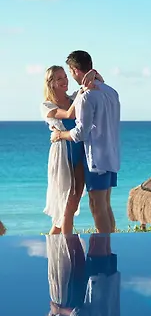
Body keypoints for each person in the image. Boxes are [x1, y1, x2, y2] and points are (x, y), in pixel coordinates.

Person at [51, 51, 121, 234]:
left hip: (96, 158)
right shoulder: (111, 92)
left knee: (97, 206)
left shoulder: (87, 96)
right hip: (112, 154)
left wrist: (60, 135)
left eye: (69, 72)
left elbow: (81, 133)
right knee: (105, 204)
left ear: (75, 70)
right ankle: (110, 245)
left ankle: (103, 248)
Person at [41, 66, 101, 235]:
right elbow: (69, 115)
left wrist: (93, 73)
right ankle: (66, 246)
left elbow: (98, 82)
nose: (65, 80)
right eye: (59, 78)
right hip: (62, 155)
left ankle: (54, 245)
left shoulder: (75, 97)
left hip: (79, 152)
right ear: (51, 83)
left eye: (65, 76)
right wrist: (82, 92)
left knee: (73, 204)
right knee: (66, 206)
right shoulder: (46, 105)